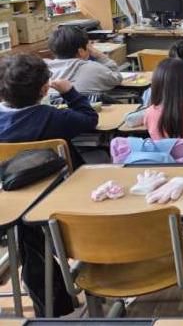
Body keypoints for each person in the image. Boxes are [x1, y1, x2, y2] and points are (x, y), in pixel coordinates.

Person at [0, 54, 99, 317]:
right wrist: (70, 92)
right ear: (45, 89)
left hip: (14, 202)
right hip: (62, 199)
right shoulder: (51, 117)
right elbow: (89, 119)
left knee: (31, 236)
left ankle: (50, 301)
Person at [46, 26, 122, 94]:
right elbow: (117, 78)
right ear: (81, 51)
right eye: (89, 46)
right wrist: (99, 55)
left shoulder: (44, 70)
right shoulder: (93, 68)